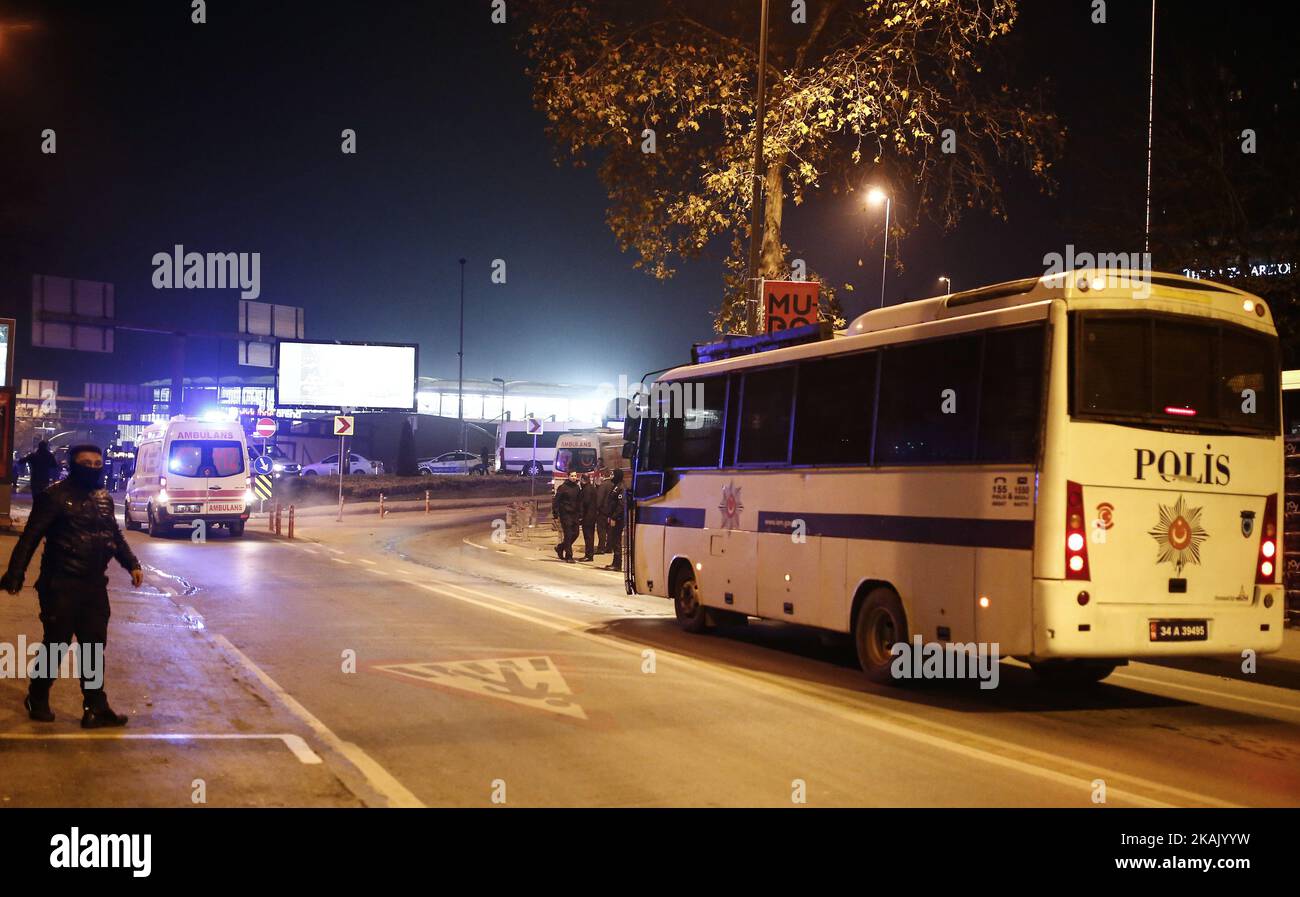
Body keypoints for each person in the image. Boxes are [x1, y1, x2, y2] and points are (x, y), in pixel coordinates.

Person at [1, 444, 144, 727]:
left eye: (96, 463)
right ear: (73, 464)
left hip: (94, 586)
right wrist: (15, 574)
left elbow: (112, 535)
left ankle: (95, 707)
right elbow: (30, 537)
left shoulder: (103, 498)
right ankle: (38, 696)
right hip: (59, 584)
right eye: (86, 463)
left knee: (92, 646)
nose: (92, 467)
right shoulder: (54, 497)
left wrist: (132, 564)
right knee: (57, 644)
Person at [551, 470, 582, 563]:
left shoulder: (577, 488)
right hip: (565, 514)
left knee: (576, 533)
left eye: (575, 476)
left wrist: (580, 513)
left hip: (575, 514)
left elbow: (579, 501)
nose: (574, 477)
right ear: (568, 476)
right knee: (568, 535)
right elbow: (556, 501)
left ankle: (560, 547)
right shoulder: (563, 488)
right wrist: (555, 513)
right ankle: (569, 556)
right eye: (572, 476)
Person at [604, 468, 627, 572]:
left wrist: (614, 517)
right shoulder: (616, 486)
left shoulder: (620, 487)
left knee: (616, 541)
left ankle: (617, 564)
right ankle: (615, 562)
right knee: (614, 540)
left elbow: (621, 505)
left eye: (613, 474)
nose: (611, 476)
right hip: (615, 517)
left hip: (618, 519)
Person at [578, 473, 600, 561]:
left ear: (583, 480)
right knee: (590, 536)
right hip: (593, 515)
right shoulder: (593, 488)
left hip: (587, 516)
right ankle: (589, 554)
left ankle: (588, 555)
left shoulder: (586, 490)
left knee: (588, 536)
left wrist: (581, 516)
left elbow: (585, 503)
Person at [594, 474, 614, 554]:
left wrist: (597, 509)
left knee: (602, 530)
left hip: (603, 512)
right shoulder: (614, 484)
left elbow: (599, 499)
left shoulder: (603, 485)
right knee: (610, 530)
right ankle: (609, 548)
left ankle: (601, 548)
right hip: (612, 512)